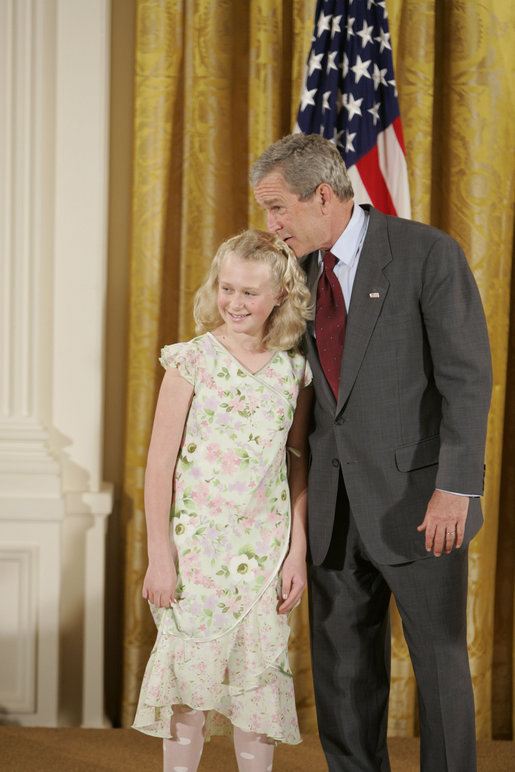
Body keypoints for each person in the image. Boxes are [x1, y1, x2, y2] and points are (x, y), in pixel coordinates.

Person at [250, 133, 492, 772]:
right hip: (332, 510)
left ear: (322, 195)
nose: (270, 226)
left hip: (421, 505)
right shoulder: (293, 273)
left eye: (278, 209)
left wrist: (457, 489)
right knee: (342, 675)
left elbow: (466, 378)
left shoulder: (425, 253)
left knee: (439, 664)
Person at [132, 229, 313, 772]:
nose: (234, 302)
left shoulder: (293, 370)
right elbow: (159, 466)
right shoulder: (192, 361)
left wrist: (296, 552)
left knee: (257, 688)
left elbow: (295, 461)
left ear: (280, 295)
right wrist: (159, 556)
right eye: (226, 288)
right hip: (196, 552)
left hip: (264, 550)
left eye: (249, 293)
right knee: (190, 684)